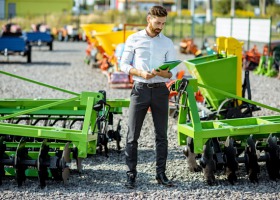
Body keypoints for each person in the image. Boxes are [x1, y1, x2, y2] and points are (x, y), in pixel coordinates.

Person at [120, 5, 178, 189]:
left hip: (161, 90)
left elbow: (174, 72)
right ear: (149, 19)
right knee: (132, 135)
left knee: (162, 136)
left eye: (163, 23)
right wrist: (139, 72)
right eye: (157, 22)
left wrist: (166, 73)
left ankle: (161, 174)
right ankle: (131, 175)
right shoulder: (134, 38)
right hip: (140, 89)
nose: (160, 26)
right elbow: (123, 64)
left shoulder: (167, 42)